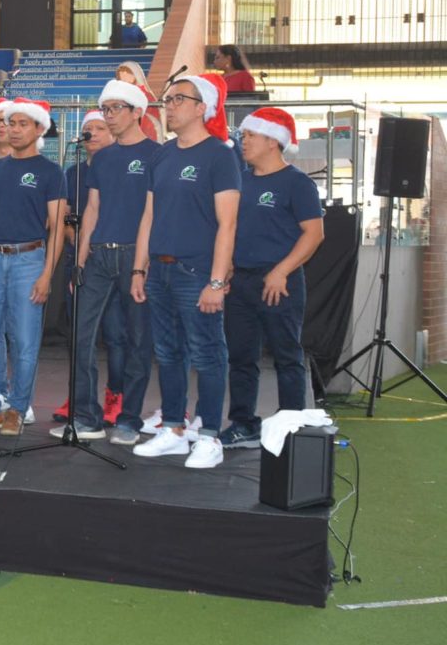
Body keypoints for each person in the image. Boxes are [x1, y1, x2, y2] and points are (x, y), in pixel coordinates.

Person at [132, 73, 240, 469]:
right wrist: (138, 269)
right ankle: (174, 429)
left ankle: (209, 435)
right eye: (168, 99)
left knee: (207, 354)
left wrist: (217, 280)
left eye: (179, 99)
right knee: (167, 353)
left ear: (201, 108)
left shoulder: (220, 155)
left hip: (197, 272)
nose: (169, 105)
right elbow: (149, 215)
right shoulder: (162, 154)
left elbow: (228, 224)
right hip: (159, 271)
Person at [0, 98, 65, 436]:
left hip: (29, 260)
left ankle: (17, 409)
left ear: (39, 129)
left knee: (24, 341)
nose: (15, 129)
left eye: (22, 124)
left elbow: (57, 226)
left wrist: (47, 274)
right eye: (11, 123)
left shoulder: (51, 172)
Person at [221, 108, 324, 449]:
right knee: (241, 356)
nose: (244, 141)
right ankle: (243, 423)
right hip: (241, 281)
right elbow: (229, 228)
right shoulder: (240, 180)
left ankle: (290, 425)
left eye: (250, 135)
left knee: (286, 355)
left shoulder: (297, 183)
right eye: (244, 135)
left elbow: (314, 234)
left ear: (272, 141)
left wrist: (281, 271)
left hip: (281, 281)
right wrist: (227, 266)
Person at [68, 82, 162, 445]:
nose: (108, 115)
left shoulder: (157, 154)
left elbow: (153, 214)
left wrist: (141, 263)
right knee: (81, 335)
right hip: (98, 255)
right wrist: (79, 259)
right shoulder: (103, 158)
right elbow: (92, 208)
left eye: (115, 108)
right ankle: (86, 416)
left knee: (138, 340)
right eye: (105, 109)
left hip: (135, 254)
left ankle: (129, 419)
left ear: (137, 112)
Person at [52, 109, 120, 426]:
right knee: (80, 335)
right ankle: (80, 396)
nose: (91, 133)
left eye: (99, 127)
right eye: (88, 128)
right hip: (78, 262)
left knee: (116, 335)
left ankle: (116, 395)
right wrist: (76, 241)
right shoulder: (73, 173)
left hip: (113, 259)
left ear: (113, 134)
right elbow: (65, 216)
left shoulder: (122, 167)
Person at [114, 61, 161, 141]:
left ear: (135, 75)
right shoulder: (119, 96)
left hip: (145, 132)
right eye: (121, 74)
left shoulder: (144, 95)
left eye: (127, 73)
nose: (124, 76)